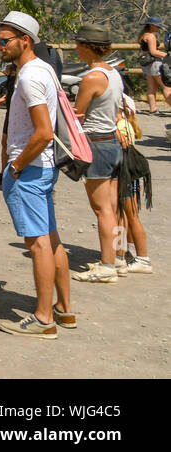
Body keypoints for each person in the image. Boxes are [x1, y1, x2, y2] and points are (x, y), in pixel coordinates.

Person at [0, 11, 72, 338]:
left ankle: (43, 318)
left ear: (25, 40)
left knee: (38, 244)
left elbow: (42, 132)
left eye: (4, 41)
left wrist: (16, 166)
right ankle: (64, 310)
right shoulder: (44, 70)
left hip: (30, 169)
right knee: (52, 239)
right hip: (44, 168)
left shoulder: (29, 77)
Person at [70, 25, 126, 283]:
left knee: (101, 208)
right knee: (114, 207)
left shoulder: (91, 77)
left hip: (96, 143)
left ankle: (107, 266)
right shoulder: (113, 73)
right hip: (112, 141)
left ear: (88, 46)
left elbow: (79, 113)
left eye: (79, 43)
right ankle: (119, 255)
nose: (76, 48)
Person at [115, 95, 154, 274]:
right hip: (130, 177)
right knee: (127, 217)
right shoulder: (126, 124)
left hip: (125, 176)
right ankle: (124, 253)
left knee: (127, 217)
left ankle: (139, 257)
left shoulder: (120, 126)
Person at [136, 18, 170, 114]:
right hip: (155, 64)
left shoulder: (144, 35)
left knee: (151, 88)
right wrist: (167, 56)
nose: (159, 28)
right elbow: (154, 52)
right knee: (166, 87)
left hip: (148, 65)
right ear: (152, 25)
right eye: (158, 26)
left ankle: (153, 109)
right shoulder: (151, 36)